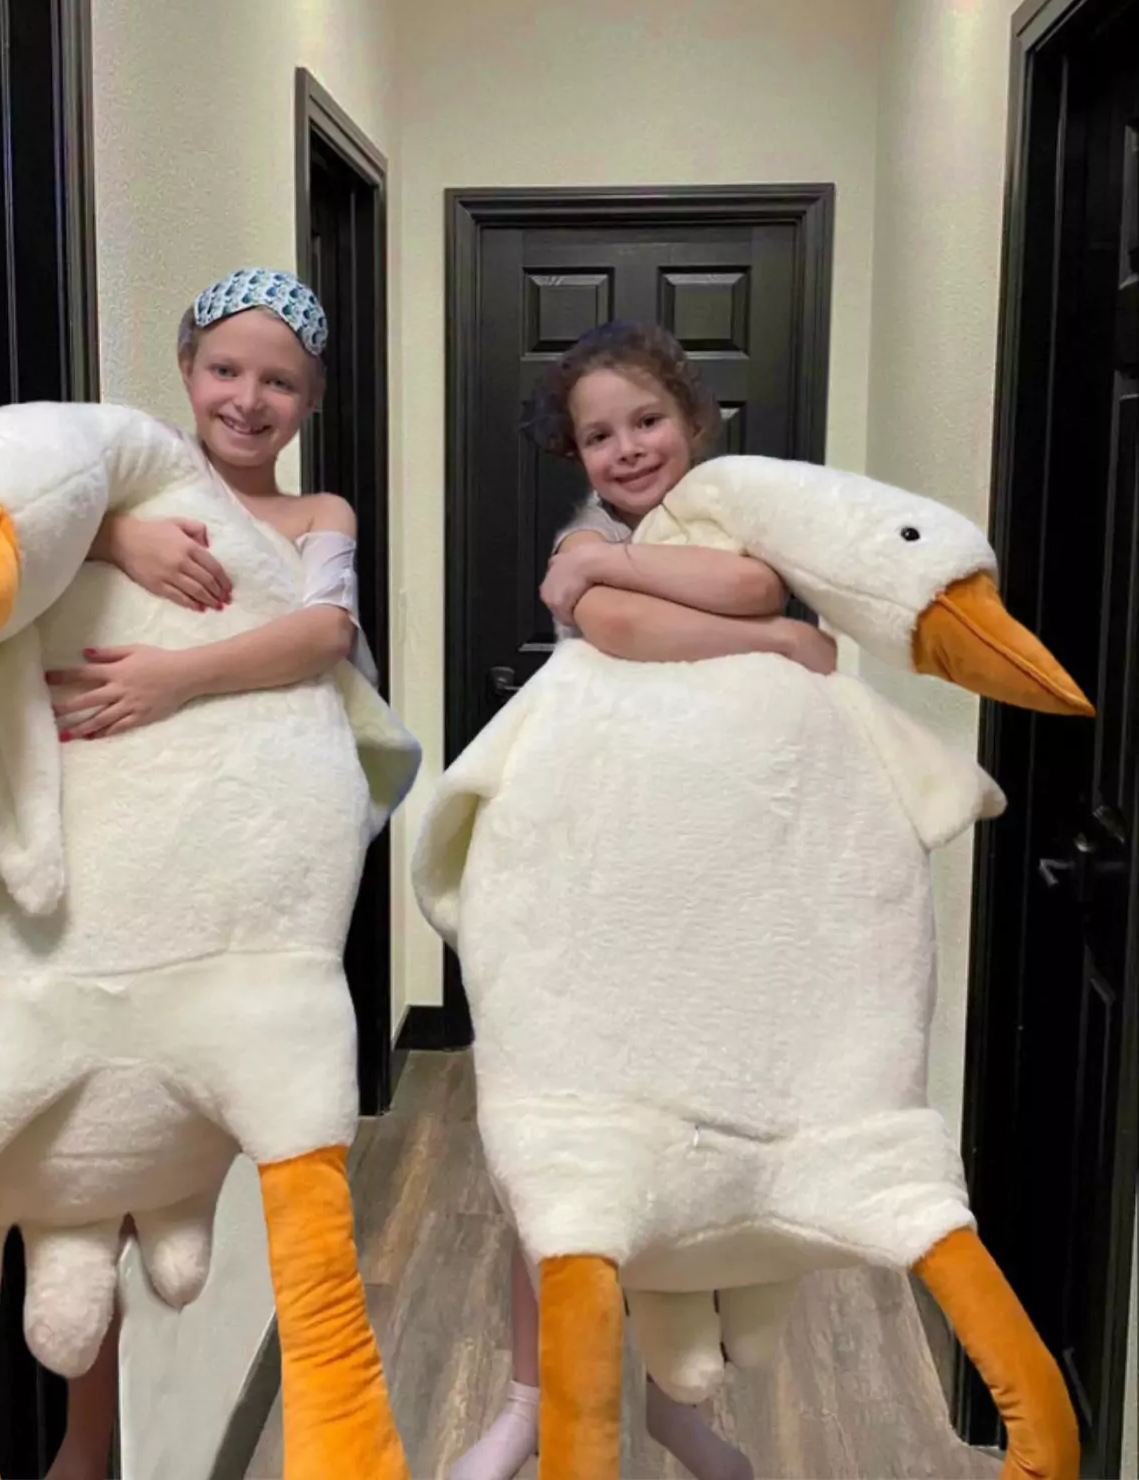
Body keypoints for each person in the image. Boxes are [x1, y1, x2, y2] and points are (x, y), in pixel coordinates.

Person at [450, 321, 835, 1480]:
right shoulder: (585, 538)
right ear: (574, 454)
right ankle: (531, 1397)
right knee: (556, 1156)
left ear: (695, 419)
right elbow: (618, 624)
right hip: (596, 880)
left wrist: (749, 607)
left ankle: (676, 1402)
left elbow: (750, 577)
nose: (626, 449)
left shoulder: (738, 515)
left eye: (647, 420)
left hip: (718, 884)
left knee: (690, 1150)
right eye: (598, 435)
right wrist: (773, 638)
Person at [45, 268, 368, 1480]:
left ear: (310, 400)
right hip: (115, 861)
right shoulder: (130, 483)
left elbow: (325, 632)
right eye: (226, 368)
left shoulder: (317, 512)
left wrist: (175, 678)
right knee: (90, 1170)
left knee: (251, 1127)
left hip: (241, 871)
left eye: (279, 380)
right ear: (186, 369)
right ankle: (85, 1442)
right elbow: (6, 528)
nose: (248, 397)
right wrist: (115, 532)